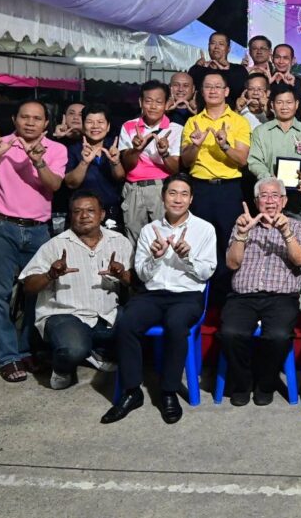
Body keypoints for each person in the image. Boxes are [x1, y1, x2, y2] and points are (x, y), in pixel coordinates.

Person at [101, 174, 217, 425]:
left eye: (184, 194)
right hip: (152, 294)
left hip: (187, 296)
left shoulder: (205, 229)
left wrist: (187, 258)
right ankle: (132, 392)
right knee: (127, 321)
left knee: (177, 325)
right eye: (172, 193)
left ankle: (168, 391)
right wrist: (155, 256)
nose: (178, 199)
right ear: (163, 197)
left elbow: (207, 273)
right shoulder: (148, 230)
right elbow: (141, 274)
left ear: (191, 199)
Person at [0, 101, 68, 383]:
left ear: (46, 124)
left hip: (38, 229)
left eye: (37, 118)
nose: (30, 122)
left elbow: (54, 185)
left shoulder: (56, 149)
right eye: (24, 117)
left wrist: (38, 161)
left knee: (35, 293)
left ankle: (27, 349)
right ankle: (8, 357)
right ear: (15, 119)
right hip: (0, 225)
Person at [19, 190, 134, 389]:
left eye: (90, 210)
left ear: (102, 214)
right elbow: (28, 287)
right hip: (66, 315)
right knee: (73, 349)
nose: (84, 216)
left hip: (107, 315)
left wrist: (122, 274)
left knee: (138, 331)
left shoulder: (119, 242)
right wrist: (50, 275)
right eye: (77, 211)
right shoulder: (55, 245)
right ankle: (62, 368)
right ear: (70, 215)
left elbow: (135, 282)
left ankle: (96, 349)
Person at [219, 177, 301, 406]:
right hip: (243, 296)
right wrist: (241, 234)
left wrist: (286, 233)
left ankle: (265, 382)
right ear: (256, 201)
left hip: (281, 297)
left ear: (284, 200)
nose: (270, 201)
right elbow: (231, 264)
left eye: (275, 196)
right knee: (230, 332)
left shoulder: (297, 226)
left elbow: (300, 260)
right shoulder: (243, 224)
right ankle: (243, 382)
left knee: (278, 335)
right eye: (264, 196)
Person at [181, 71, 252, 302]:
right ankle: (199, 296)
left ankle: (226, 298)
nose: (212, 91)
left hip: (228, 189)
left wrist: (224, 146)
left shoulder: (239, 121)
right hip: (199, 189)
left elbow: (242, 160)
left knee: (227, 242)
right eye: (208, 86)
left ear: (226, 91)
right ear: (201, 91)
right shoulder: (193, 121)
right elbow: (186, 160)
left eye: (217, 86)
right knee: (199, 242)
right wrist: (195, 145)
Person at [118, 81, 183, 244]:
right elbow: (127, 164)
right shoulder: (129, 126)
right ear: (141, 102)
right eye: (148, 101)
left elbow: (176, 168)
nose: (153, 106)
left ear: (167, 104)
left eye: (159, 102)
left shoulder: (176, 129)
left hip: (161, 188)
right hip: (134, 189)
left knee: (165, 237)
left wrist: (164, 153)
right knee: (134, 239)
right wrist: (136, 149)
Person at [247, 83, 301, 227]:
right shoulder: (260, 132)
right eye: (279, 102)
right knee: (267, 238)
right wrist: (268, 179)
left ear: (296, 104)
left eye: (289, 102)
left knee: (299, 240)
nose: (284, 107)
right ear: (272, 105)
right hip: (269, 198)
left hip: (299, 198)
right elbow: (254, 161)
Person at [64, 104, 126, 232]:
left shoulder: (115, 147)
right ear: (83, 125)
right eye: (90, 122)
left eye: (100, 122)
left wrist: (115, 162)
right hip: (83, 214)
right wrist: (84, 163)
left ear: (108, 126)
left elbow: (120, 177)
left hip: (111, 213)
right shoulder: (74, 149)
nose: (95, 126)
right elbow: (70, 183)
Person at [188, 32, 248, 107]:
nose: (216, 47)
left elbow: (240, 92)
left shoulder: (239, 70)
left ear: (228, 49)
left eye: (221, 44)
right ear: (208, 47)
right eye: (213, 43)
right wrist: (197, 67)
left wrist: (226, 71)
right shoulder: (197, 70)